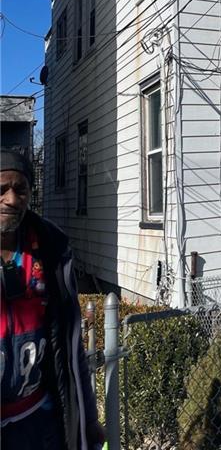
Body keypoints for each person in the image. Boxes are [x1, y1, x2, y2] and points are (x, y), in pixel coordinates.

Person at [1, 148, 106, 449]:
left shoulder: (50, 251)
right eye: (1, 189)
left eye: (21, 190)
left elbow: (72, 352)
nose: (11, 199)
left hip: (41, 421)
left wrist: (87, 419)